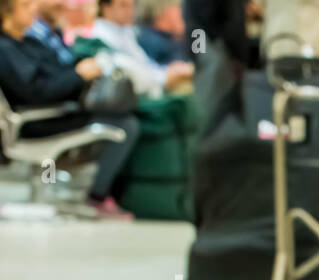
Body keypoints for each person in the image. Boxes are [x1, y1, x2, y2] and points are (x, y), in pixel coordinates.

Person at [0, 0, 139, 217]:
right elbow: (37, 93)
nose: (33, 9)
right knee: (123, 125)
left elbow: (58, 73)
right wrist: (79, 75)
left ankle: (96, 192)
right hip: (36, 120)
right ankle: (97, 196)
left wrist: (84, 69)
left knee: (123, 113)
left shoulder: (31, 43)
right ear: (6, 12)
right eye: (26, 6)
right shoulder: (6, 49)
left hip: (60, 110)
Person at [92, 0, 192, 95]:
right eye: (123, 5)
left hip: (149, 84)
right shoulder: (101, 37)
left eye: (132, 5)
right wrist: (166, 76)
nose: (130, 11)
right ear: (105, 7)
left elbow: (144, 63)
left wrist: (167, 70)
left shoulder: (126, 31)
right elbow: (132, 74)